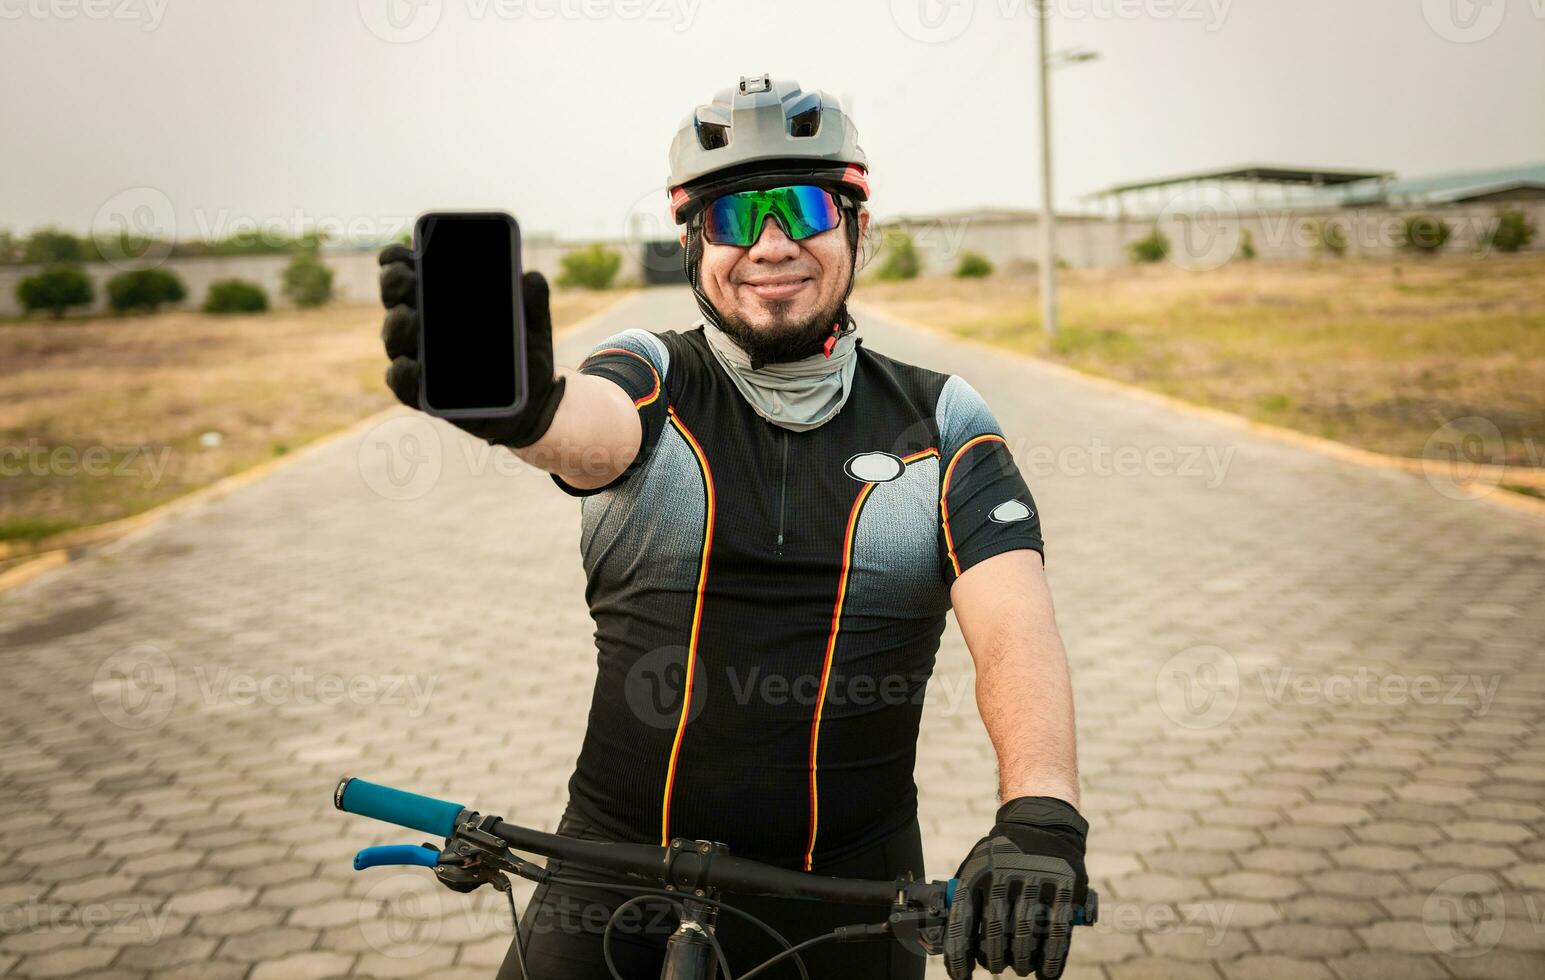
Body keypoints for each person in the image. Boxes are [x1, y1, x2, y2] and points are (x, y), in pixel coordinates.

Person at [377, 74, 1088, 980]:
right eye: (730, 218)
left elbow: (1015, 630)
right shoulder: (650, 372)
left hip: (853, 900)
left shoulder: (939, 417)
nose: (771, 244)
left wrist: (1039, 813)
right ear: (690, 244)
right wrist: (526, 413)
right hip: (610, 872)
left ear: (856, 227)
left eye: (802, 206)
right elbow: (589, 437)